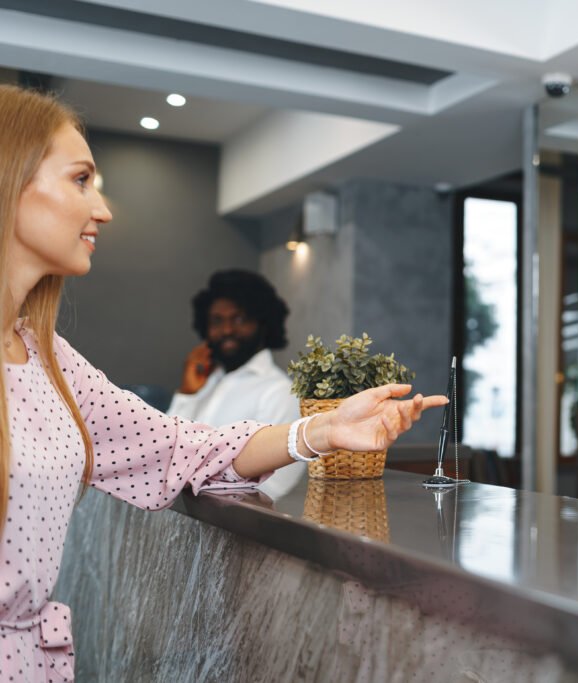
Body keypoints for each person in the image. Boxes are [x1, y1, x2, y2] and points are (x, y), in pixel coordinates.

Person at [0, 84, 445, 681]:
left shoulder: (47, 357)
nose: (102, 209)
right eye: (81, 179)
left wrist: (323, 429)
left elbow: (181, 447)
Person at [168, 270, 304, 498]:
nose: (227, 330)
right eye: (217, 321)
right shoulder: (208, 382)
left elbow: (273, 485)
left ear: (263, 323)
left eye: (240, 319)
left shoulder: (280, 392)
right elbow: (165, 450)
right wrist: (187, 394)